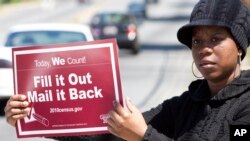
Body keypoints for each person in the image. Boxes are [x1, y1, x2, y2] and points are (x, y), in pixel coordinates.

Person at [4, 0, 250, 140]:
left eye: (215, 39)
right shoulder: (184, 105)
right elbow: (112, 133)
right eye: (197, 41)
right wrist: (37, 117)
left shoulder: (246, 105)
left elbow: (139, 133)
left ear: (239, 47)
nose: (204, 49)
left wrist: (144, 136)